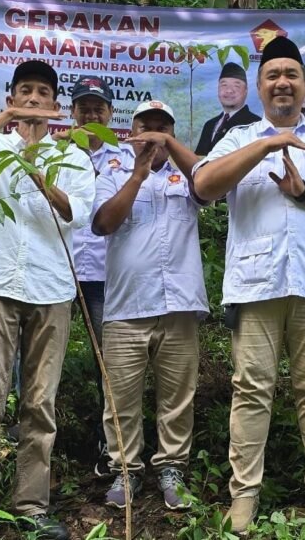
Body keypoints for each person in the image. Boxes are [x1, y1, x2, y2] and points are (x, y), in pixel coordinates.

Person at [193, 36, 305, 532]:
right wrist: (265, 144)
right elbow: (204, 187)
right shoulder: (236, 138)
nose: (282, 82)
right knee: (251, 390)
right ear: (259, 85)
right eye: (273, 75)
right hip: (256, 283)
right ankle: (244, 496)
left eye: (291, 74)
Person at [0, 60, 95, 540]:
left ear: (54, 105)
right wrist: (5, 123)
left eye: (41, 92)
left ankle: (31, 505)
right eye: (23, 90)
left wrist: (38, 176)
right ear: (10, 95)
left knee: (40, 403)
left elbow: (78, 213)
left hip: (52, 289)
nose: (32, 99)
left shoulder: (72, 155)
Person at [91, 101, 207, 511]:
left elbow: (213, 187)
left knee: (177, 396)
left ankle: (172, 467)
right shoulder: (114, 171)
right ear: (131, 132)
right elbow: (103, 223)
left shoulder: (189, 173)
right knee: (120, 398)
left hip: (179, 304)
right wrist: (138, 173)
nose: (155, 135)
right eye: (147, 128)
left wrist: (172, 147)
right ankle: (126, 470)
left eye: (164, 128)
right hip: (126, 306)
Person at [63, 75, 126, 477]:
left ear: (110, 114)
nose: (90, 113)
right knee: (34, 355)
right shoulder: (56, 154)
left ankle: (110, 439)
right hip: (59, 270)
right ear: (72, 113)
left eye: (97, 108)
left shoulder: (122, 159)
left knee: (110, 361)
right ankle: (30, 430)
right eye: (83, 107)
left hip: (105, 273)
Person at [194, 63, 260, 156]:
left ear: (246, 91)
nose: (229, 90)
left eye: (236, 86)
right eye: (224, 85)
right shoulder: (209, 124)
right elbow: (199, 159)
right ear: (218, 88)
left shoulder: (255, 125)